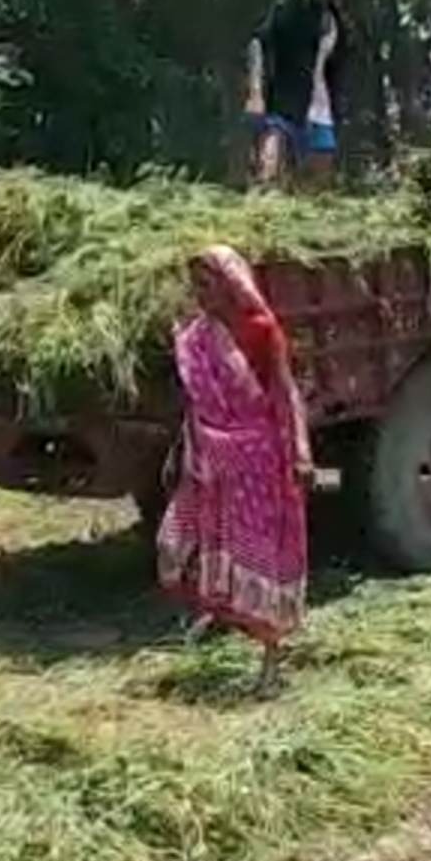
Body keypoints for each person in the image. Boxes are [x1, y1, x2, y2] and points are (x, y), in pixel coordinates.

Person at [156, 245, 313, 695]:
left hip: (256, 463)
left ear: (230, 284)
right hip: (208, 460)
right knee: (176, 544)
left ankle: (270, 663)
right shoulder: (198, 338)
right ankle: (219, 612)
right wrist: (184, 449)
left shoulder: (262, 330)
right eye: (195, 286)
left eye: (207, 285)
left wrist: (301, 450)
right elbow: (195, 400)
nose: (200, 295)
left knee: (259, 561)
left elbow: (285, 391)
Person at [243, 0, 358, 189]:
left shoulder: (335, 21)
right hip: (282, 109)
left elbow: (331, 74)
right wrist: (255, 93)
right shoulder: (291, 3)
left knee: (314, 194)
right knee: (269, 181)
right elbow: (259, 44)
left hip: (320, 115)